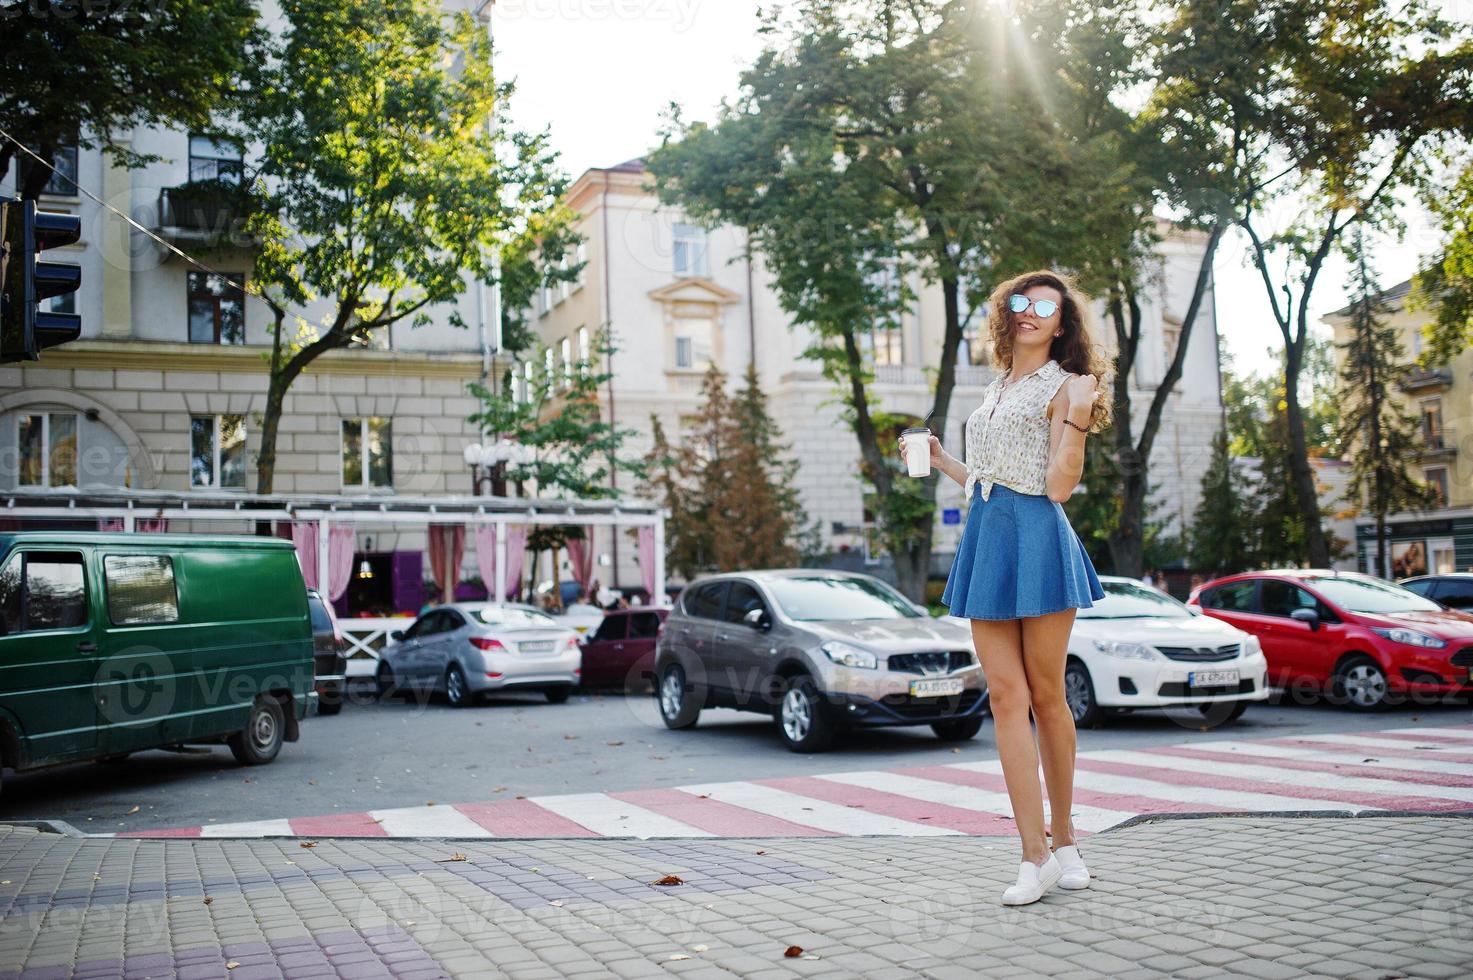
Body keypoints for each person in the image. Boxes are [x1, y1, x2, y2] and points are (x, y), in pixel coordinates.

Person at [901, 269, 1108, 907]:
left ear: (1063, 322)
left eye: (1046, 305)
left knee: (1048, 697)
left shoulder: (1065, 385)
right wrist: (940, 460)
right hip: (988, 536)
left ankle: (1066, 839)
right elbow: (989, 479)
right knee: (1002, 697)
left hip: (1039, 538)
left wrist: (1075, 419)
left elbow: (1057, 487)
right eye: (1021, 301)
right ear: (1006, 312)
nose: (1030, 311)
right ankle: (1033, 854)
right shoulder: (993, 389)